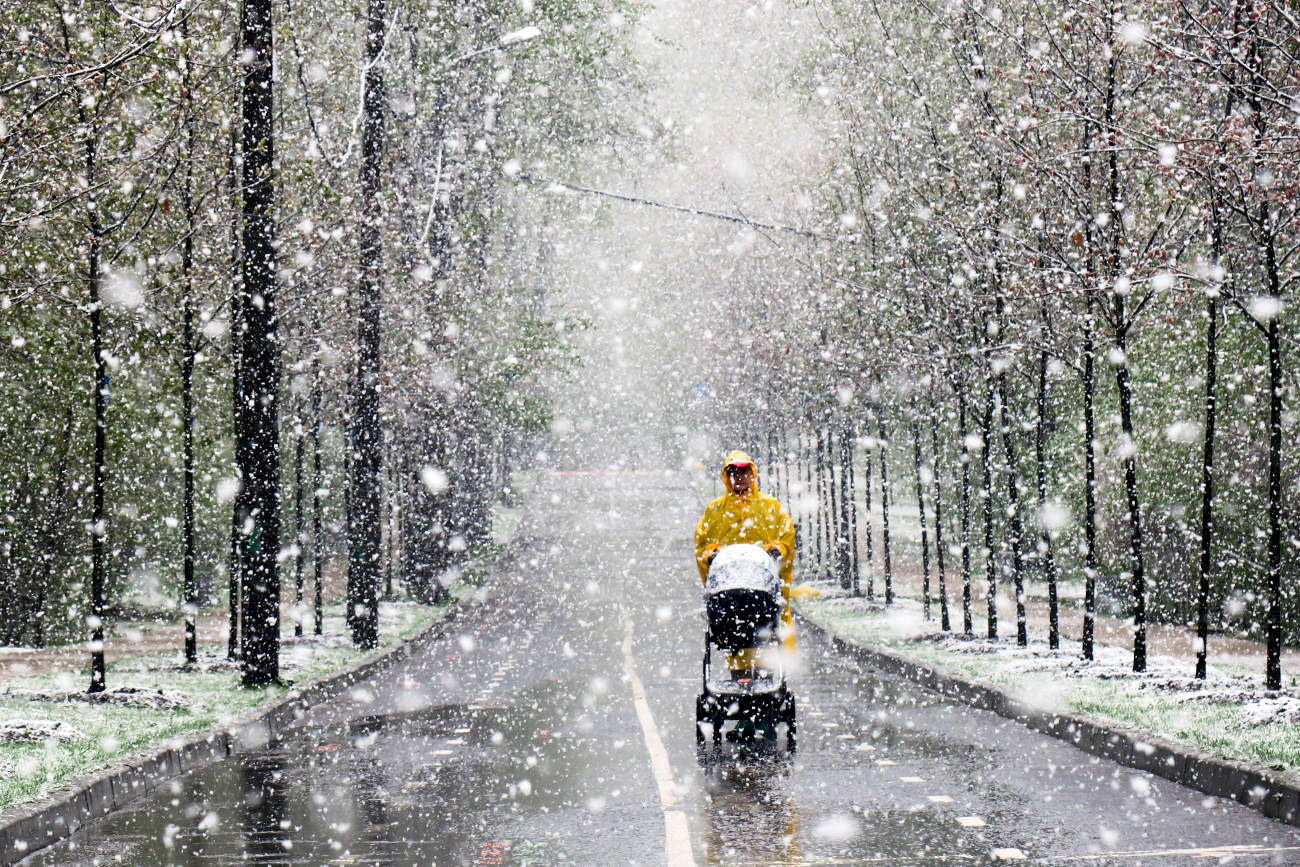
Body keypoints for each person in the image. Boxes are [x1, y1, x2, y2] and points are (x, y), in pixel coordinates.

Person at [694, 450, 797, 658]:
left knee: (769, 626)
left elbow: (786, 536)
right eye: (733, 472)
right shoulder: (715, 511)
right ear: (726, 476)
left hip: (764, 585)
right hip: (730, 586)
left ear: (752, 474)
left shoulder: (770, 507)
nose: (739, 476)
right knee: (734, 632)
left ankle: (772, 667)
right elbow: (702, 544)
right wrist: (710, 556)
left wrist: (779, 550)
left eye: (743, 471)